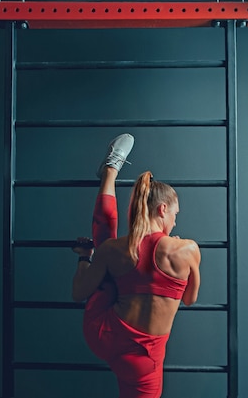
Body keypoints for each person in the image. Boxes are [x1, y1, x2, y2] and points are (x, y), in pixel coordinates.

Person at [71, 133, 201, 398]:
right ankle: (109, 170)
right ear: (163, 209)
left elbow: (79, 293)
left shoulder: (115, 250)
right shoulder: (187, 249)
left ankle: (111, 170)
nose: (175, 221)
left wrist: (86, 256)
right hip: (145, 357)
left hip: (105, 335)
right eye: (176, 214)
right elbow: (189, 299)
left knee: (106, 247)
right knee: (109, 252)